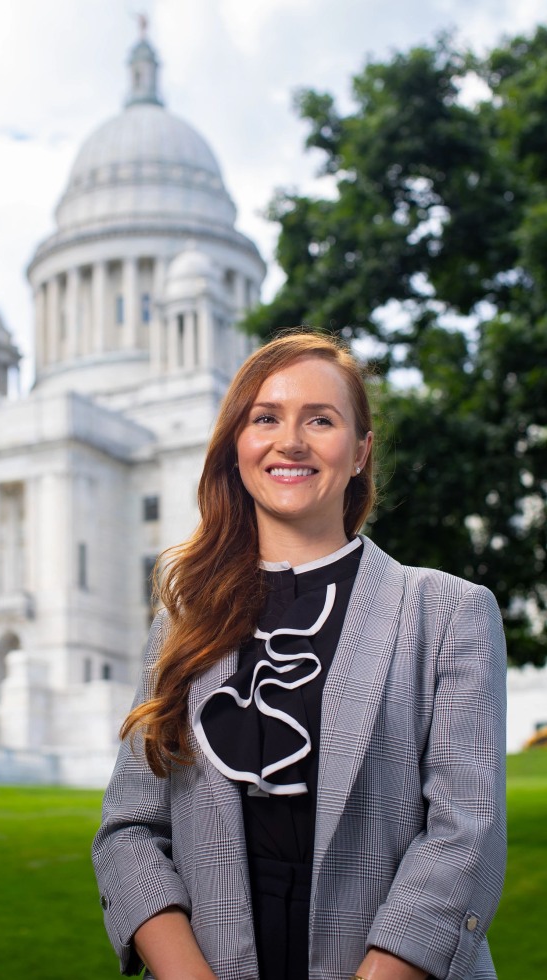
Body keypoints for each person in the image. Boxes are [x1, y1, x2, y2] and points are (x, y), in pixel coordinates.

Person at [93, 332, 507, 980]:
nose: (290, 441)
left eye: (320, 419)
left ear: (360, 451)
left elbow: (465, 834)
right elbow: (130, 833)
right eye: (265, 418)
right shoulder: (183, 623)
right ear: (238, 446)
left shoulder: (446, 611)